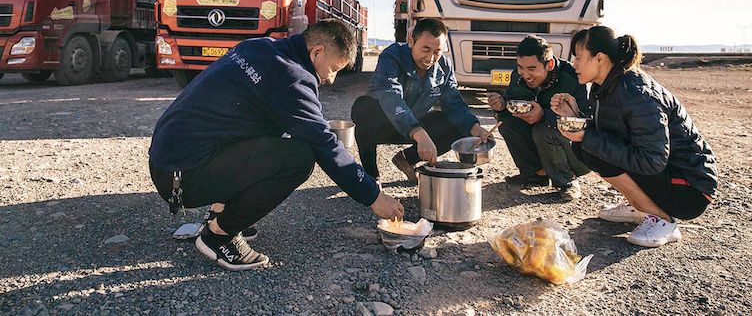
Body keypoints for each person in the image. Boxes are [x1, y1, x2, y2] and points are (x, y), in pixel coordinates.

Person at [148, 19, 403, 270]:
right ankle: (218, 236)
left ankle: (219, 213)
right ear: (317, 52)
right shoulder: (292, 79)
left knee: (277, 132)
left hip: (169, 161)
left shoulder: (258, 47)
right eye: (334, 68)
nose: (331, 79)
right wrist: (373, 195)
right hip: (183, 177)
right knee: (299, 157)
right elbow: (324, 144)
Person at [551, 26, 718, 247]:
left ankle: (662, 220)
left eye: (579, 58)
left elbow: (652, 160)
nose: (574, 65)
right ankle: (641, 205)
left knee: (590, 146)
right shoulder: (608, 85)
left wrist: (587, 136)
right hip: (669, 174)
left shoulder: (636, 93)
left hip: (690, 187)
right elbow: (615, 133)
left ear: (599, 59)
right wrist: (576, 116)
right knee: (584, 146)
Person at [351, 18, 490, 184]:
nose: (430, 58)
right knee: (362, 109)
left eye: (437, 51)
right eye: (425, 49)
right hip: (385, 123)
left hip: (417, 125)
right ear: (411, 41)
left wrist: (474, 127)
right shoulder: (392, 56)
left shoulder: (444, 67)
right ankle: (371, 176)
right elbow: (391, 96)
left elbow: (454, 103)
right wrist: (418, 133)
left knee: (460, 125)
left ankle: (407, 159)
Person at [486, 35, 590, 201]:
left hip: (577, 153)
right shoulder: (517, 77)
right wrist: (501, 106)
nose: (526, 75)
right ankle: (536, 174)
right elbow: (511, 107)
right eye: (520, 67)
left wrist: (544, 116)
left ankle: (567, 181)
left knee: (543, 130)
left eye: (532, 69)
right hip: (542, 139)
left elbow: (586, 121)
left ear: (549, 64)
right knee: (507, 124)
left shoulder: (573, 77)